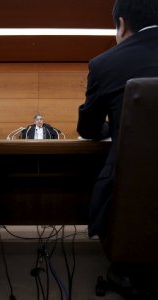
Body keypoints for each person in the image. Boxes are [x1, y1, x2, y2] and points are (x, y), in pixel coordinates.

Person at [77, 0, 158, 239]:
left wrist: (112, 128)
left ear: (121, 25)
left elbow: (88, 128)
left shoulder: (105, 63)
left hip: (131, 200)